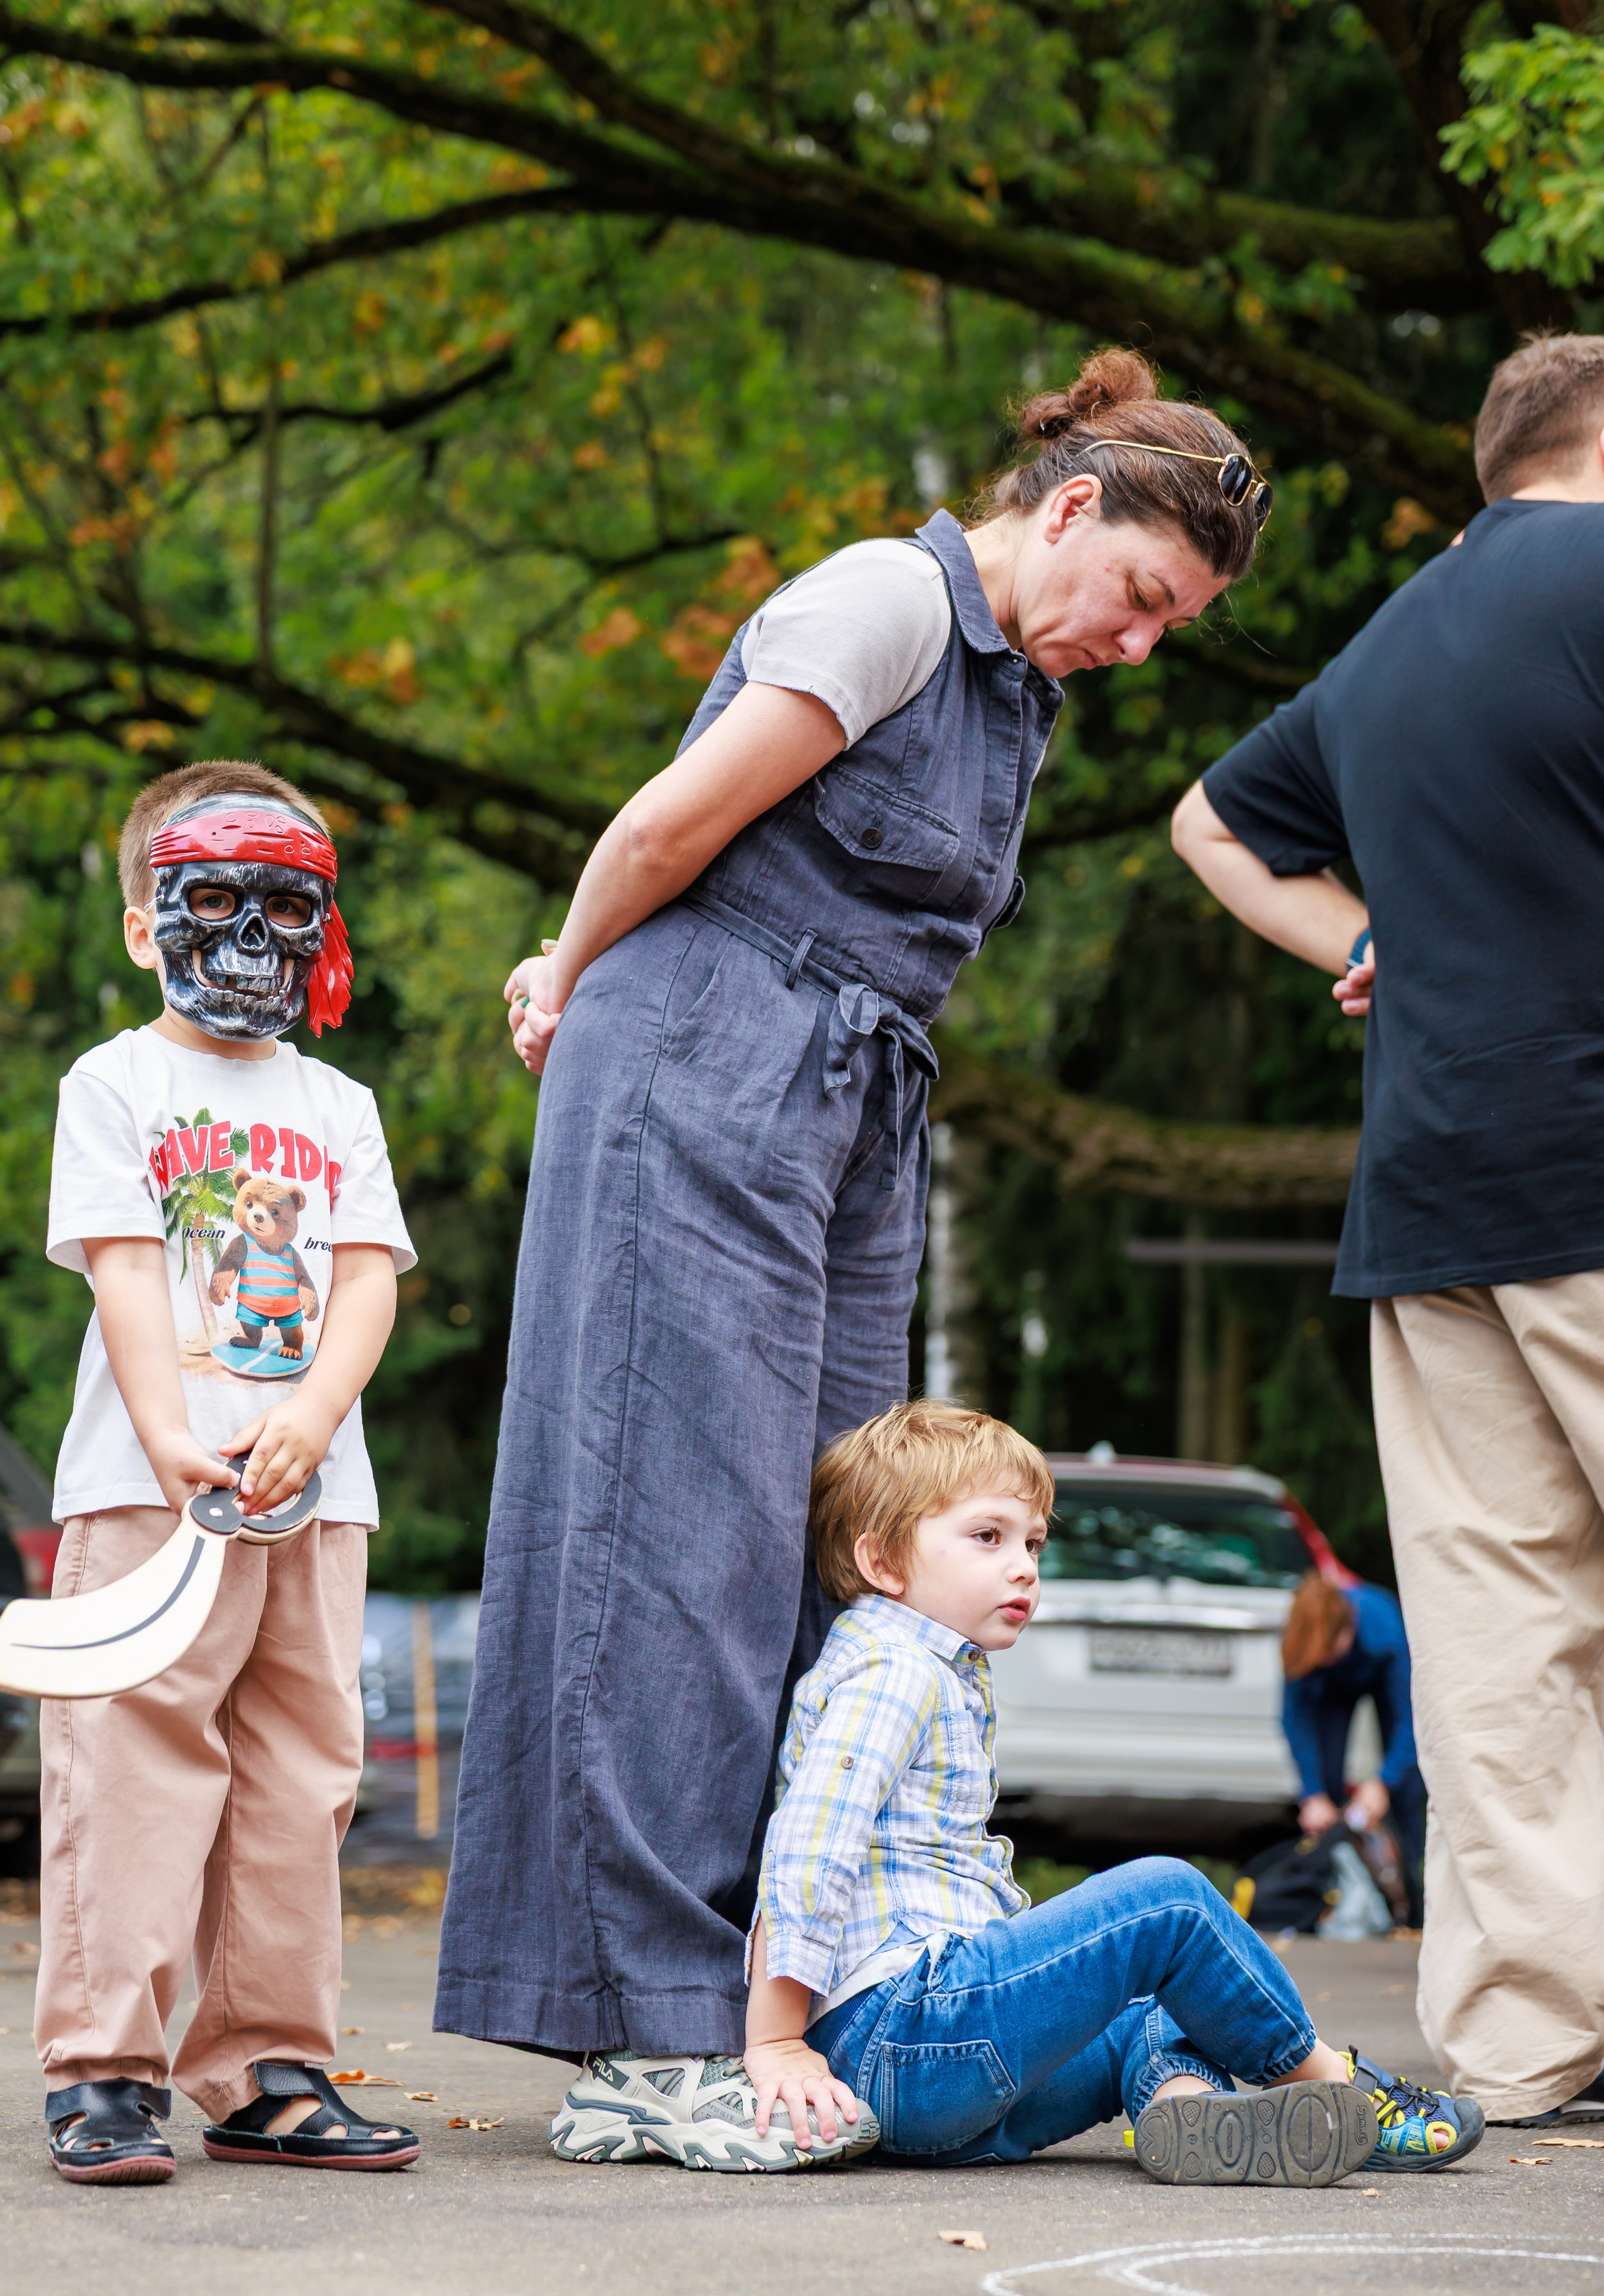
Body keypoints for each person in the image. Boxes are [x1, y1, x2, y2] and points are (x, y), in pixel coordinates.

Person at [433, 347, 1278, 2164]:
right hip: (703, 1050)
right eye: (1138, 599)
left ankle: (804, 2000)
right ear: (1070, 510)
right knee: (673, 1532)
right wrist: (560, 979)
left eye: (1169, 632)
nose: (1135, 646)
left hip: (857, 1097)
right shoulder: (893, 597)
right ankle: (644, 2039)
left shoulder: (1022, 691)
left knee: (841, 1535)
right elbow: (672, 820)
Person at [1171, 330, 1604, 2125]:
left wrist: (1371, 941)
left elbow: (1211, 824)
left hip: (1433, 1191)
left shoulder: (1401, 634)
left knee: (1505, 1632)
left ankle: (1525, 2043)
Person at [717, 1400, 1476, 2180]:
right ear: (883, 1563)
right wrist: (776, 2039)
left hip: (951, 2086)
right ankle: (1340, 2089)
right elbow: (809, 1843)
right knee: (1170, 1900)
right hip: (906, 2040)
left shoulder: (927, 1667)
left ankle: (1187, 2116)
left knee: (1174, 2006)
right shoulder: (891, 1671)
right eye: (988, 1537)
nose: (1024, 1567)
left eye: (1033, 1544)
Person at [34, 759, 421, 2185]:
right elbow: (126, 1267)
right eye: (214, 904)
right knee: (131, 1766)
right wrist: (166, 1431)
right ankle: (105, 2068)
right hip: (153, 1494)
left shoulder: (339, 1101)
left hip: (318, 1498)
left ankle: (266, 2061)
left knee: (297, 1777)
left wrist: (316, 1413)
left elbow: (369, 1279)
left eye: (287, 907)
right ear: (146, 924)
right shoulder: (115, 1084)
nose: (252, 939)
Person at [1279, 1571, 1425, 1928]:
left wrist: (1383, 1783)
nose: (1324, 1659)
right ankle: (1330, 1897)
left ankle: (1411, 1902)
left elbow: (1410, 1718)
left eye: (1330, 1652)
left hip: (1379, 1671)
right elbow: (1296, 1721)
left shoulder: (1383, 1628)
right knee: (1326, 1792)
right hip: (1331, 1692)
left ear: (1346, 1632)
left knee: (1406, 1789)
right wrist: (1311, 1794)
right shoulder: (1306, 1646)